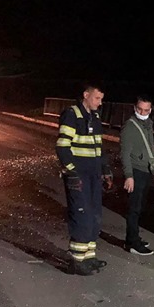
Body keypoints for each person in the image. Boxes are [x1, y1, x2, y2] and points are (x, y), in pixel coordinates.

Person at [55, 82, 113, 275]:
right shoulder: (72, 115)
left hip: (94, 176)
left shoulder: (94, 117)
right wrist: (72, 172)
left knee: (95, 215)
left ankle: (89, 257)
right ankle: (76, 261)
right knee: (82, 216)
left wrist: (106, 170)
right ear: (86, 95)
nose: (100, 103)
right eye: (97, 98)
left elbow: (99, 148)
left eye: (102, 99)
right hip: (78, 176)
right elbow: (63, 146)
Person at [120, 94, 154, 255]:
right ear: (134, 108)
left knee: (139, 208)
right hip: (136, 172)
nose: (143, 112)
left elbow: (151, 148)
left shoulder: (148, 124)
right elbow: (125, 154)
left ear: (150, 110)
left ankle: (133, 238)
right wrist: (128, 175)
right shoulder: (130, 127)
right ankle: (132, 243)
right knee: (134, 209)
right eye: (140, 109)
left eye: (146, 110)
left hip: (146, 171)